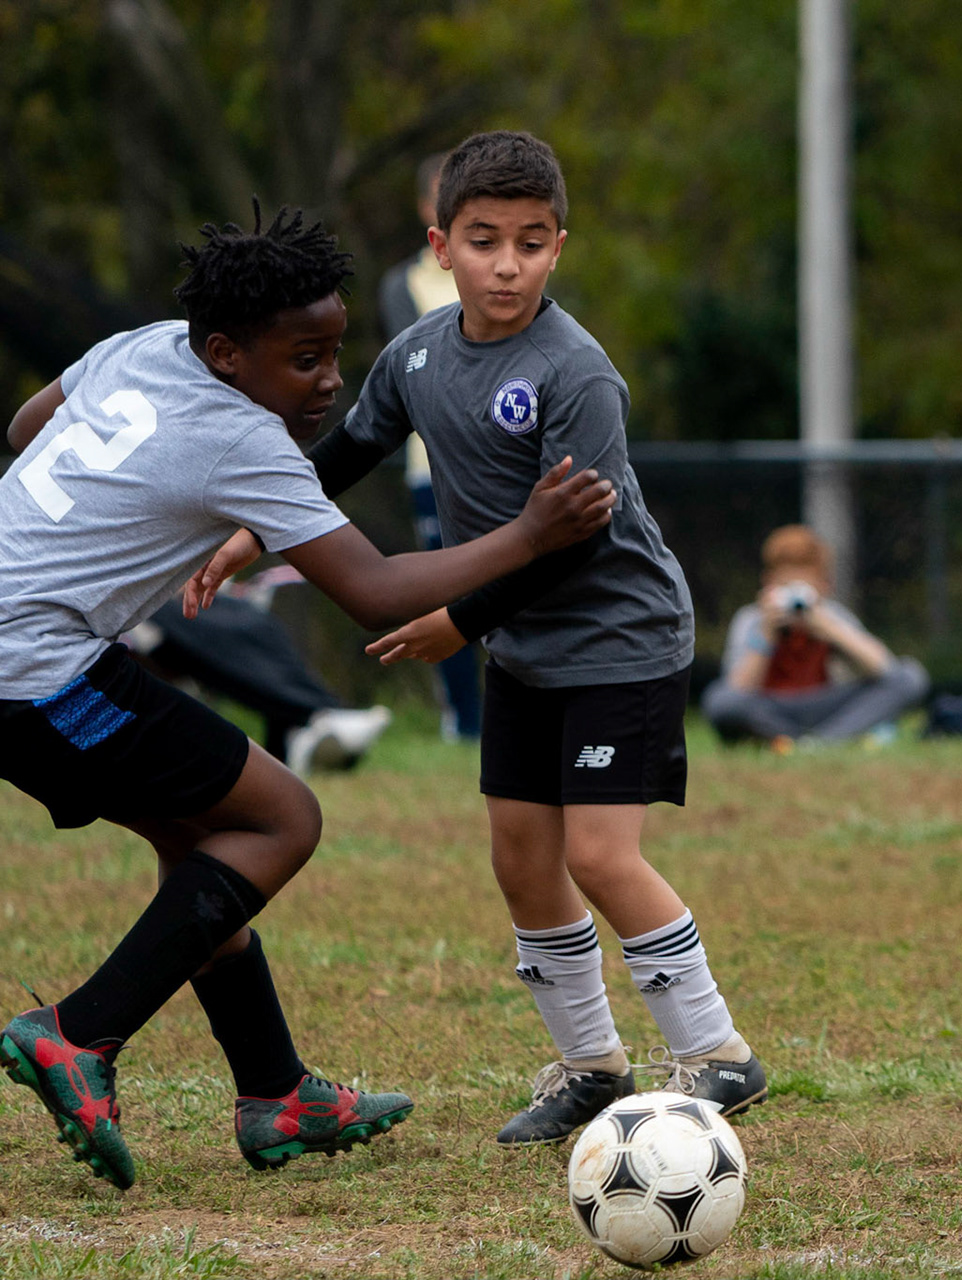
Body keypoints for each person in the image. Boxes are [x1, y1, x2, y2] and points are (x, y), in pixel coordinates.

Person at [0, 205, 615, 1189]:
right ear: (227, 353)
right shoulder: (245, 440)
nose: (329, 379)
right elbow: (375, 589)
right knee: (281, 818)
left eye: (334, 353)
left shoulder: (145, 346)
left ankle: (276, 1090)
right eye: (303, 359)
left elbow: (28, 426)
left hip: (28, 647)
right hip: (35, 670)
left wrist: (128, 510)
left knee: (203, 840)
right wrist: (531, 535)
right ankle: (78, 1034)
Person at [196, 132, 767, 1143]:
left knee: (600, 854)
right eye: (485, 241)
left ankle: (720, 1053)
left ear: (558, 250)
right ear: (441, 246)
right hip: (524, 648)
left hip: (620, 637)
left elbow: (574, 542)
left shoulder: (577, 373)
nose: (508, 265)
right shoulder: (418, 353)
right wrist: (253, 530)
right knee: (521, 860)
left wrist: (457, 622)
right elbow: (349, 450)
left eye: (531, 244)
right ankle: (592, 1067)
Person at [379, 152, 482, 742]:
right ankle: (464, 722)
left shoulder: (503, 273)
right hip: (433, 470)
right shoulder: (404, 285)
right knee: (447, 596)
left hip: (509, 468)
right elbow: (413, 378)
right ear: (426, 209)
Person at [702, 525, 929, 748]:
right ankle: (806, 742)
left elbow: (886, 668)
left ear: (824, 586)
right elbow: (736, 691)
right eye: (786, 588)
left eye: (802, 590)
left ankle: (819, 743)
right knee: (719, 699)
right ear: (768, 584)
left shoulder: (832, 616)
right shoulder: (752, 619)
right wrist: (766, 633)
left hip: (826, 705)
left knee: (910, 676)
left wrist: (829, 629)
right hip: (770, 708)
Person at [128, 590, 394, 775]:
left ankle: (306, 724)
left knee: (252, 620)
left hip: (166, 597)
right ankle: (315, 718)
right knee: (199, 625)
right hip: (137, 613)